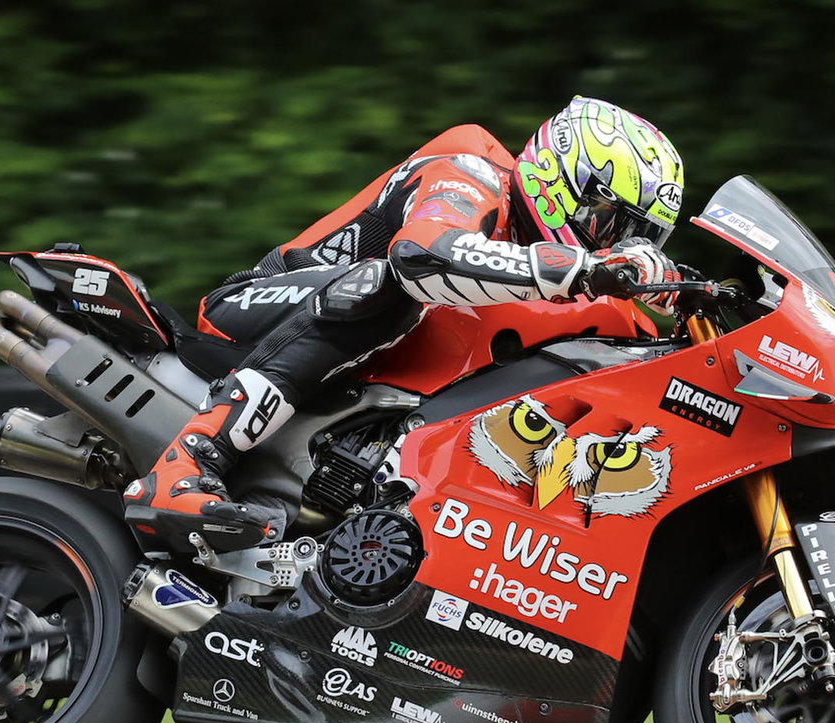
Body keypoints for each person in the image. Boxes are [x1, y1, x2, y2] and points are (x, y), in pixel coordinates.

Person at [122, 95, 694, 553]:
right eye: (605, 218)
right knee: (388, 286)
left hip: (353, 369)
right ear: (562, 174)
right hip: (252, 313)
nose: (608, 242)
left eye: (630, 235)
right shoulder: (472, 170)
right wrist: (581, 267)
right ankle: (189, 462)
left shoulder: (556, 269)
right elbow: (423, 255)